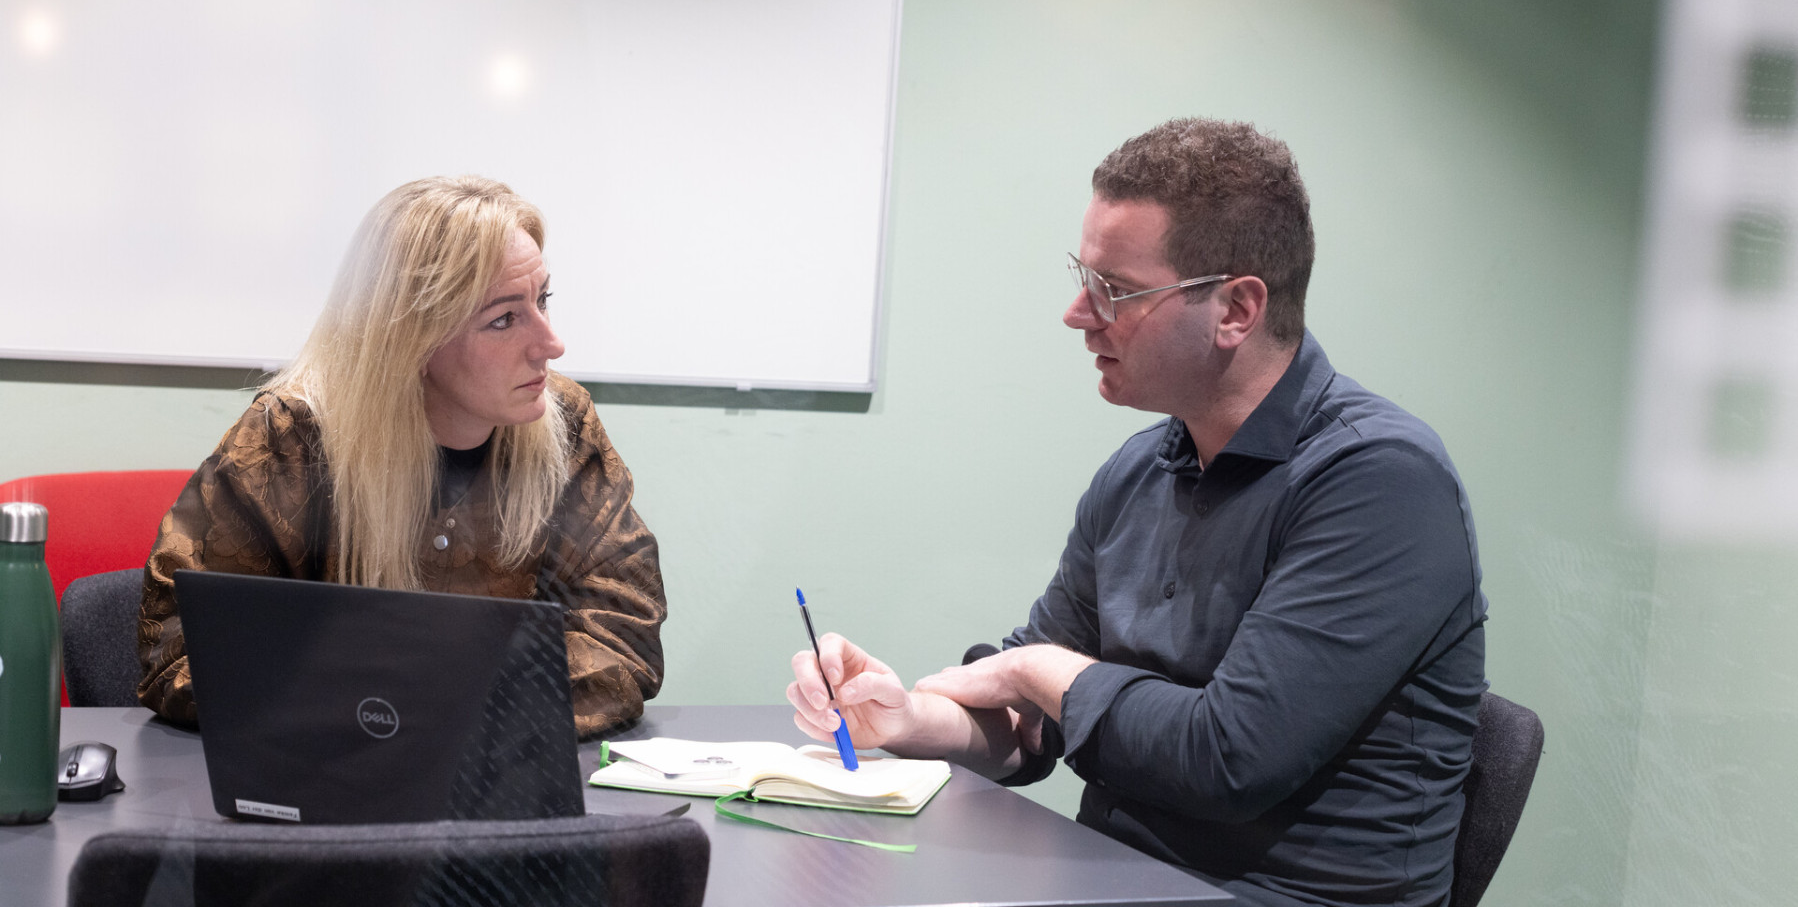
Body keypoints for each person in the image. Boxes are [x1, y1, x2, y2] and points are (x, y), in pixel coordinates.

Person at [788, 120, 1486, 907]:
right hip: (1110, 877)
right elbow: (1032, 729)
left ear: (1236, 309)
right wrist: (905, 718)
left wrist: (1032, 669)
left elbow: (1227, 760)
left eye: (1114, 290)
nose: (1078, 314)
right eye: (1082, 278)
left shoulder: (1381, 482)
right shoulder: (1139, 470)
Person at [140, 175, 666, 738]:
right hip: (332, 774)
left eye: (543, 301)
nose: (551, 344)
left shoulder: (565, 424)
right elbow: (181, 649)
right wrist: (386, 712)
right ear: (411, 338)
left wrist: (441, 707)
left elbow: (620, 631)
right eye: (504, 319)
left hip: (498, 771)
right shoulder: (291, 440)